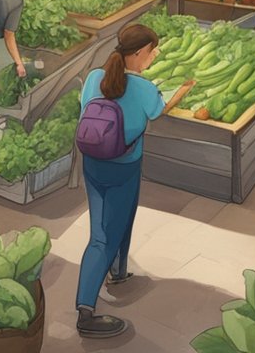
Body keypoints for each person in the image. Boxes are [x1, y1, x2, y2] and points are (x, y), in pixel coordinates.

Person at [74, 23, 189, 338]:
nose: (156, 55)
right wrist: (181, 92)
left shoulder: (95, 78)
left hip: (93, 165)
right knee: (101, 237)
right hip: (124, 166)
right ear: (139, 52)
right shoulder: (146, 89)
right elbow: (158, 111)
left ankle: (119, 270)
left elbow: (84, 110)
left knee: (118, 219)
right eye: (154, 50)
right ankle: (86, 311)